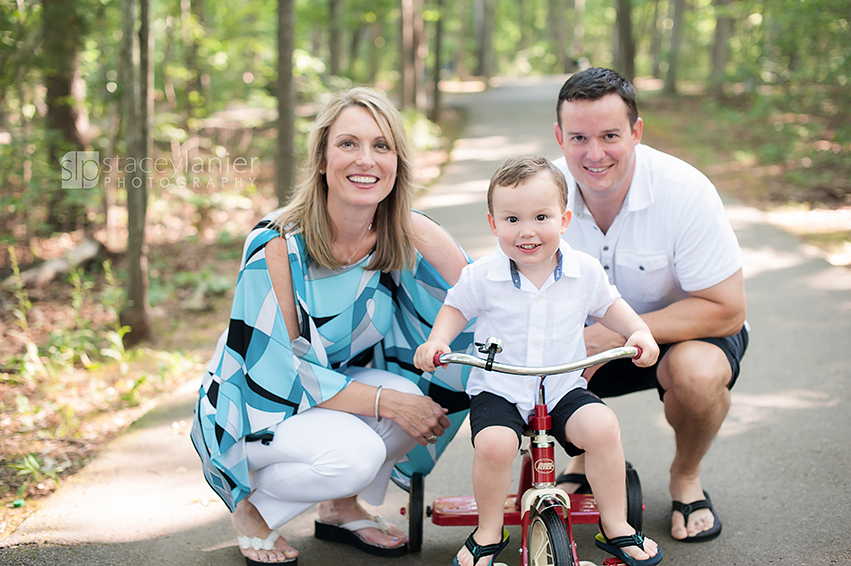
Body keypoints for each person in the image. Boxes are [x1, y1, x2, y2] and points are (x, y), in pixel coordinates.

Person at [190, 86, 475, 566]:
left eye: (381, 146)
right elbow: (287, 373)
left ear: (397, 164)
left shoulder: (403, 231)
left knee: (418, 398)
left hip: (328, 394)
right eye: (348, 144)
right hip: (255, 407)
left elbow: (482, 301)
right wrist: (391, 403)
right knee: (359, 451)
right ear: (322, 158)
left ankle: (340, 509)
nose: (366, 159)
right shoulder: (276, 245)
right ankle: (250, 511)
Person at [414, 155, 663, 566]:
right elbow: (456, 308)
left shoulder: (583, 271)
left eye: (541, 217)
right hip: (501, 386)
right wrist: (437, 340)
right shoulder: (482, 275)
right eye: (511, 220)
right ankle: (490, 531)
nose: (527, 231)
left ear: (564, 220)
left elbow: (611, 307)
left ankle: (616, 524)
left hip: (562, 385)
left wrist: (637, 331)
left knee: (602, 427)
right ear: (494, 224)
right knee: (494, 444)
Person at [551, 67, 748, 543]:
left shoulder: (685, 191)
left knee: (698, 376)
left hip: (679, 338)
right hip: (582, 346)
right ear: (559, 137)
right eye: (578, 137)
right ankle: (582, 457)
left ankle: (686, 475)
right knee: (536, 359)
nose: (594, 154)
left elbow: (727, 309)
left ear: (636, 132)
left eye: (610, 135)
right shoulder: (540, 191)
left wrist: (621, 331)